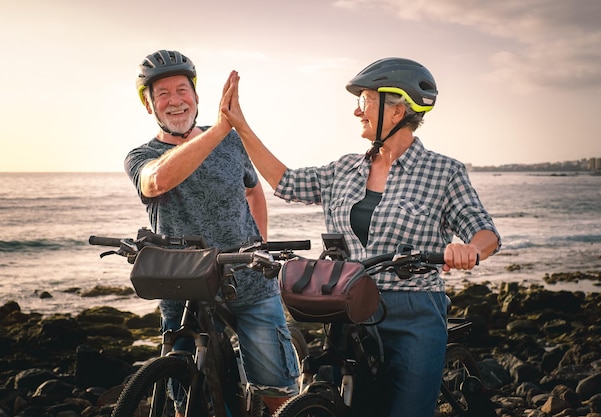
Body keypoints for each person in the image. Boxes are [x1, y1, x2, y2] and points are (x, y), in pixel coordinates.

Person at [220, 58, 501, 417]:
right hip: (346, 307)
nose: (357, 111)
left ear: (397, 109)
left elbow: (485, 231)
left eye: (365, 100)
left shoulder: (444, 171)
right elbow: (285, 182)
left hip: (412, 312)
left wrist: (469, 250)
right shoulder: (344, 169)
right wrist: (241, 127)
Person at [124, 50, 299, 414]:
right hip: (181, 289)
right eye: (162, 94)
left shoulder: (231, 144)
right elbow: (157, 180)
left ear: (197, 96)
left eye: (182, 90)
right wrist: (221, 127)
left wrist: (259, 245)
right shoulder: (141, 155)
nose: (175, 101)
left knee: (278, 393)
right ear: (148, 105)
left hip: (247, 282)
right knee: (188, 399)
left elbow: (253, 189)